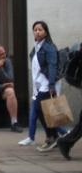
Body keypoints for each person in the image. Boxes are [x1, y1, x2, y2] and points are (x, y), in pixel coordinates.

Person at [28, 20, 61, 152]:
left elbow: (53, 66)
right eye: (35, 29)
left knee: (41, 110)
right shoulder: (37, 47)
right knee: (43, 112)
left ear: (46, 32)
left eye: (40, 29)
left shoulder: (49, 47)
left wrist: (52, 84)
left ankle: (52, 137)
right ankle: (54, 136)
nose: (37, 32)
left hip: (47, 84)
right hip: (39, 85)